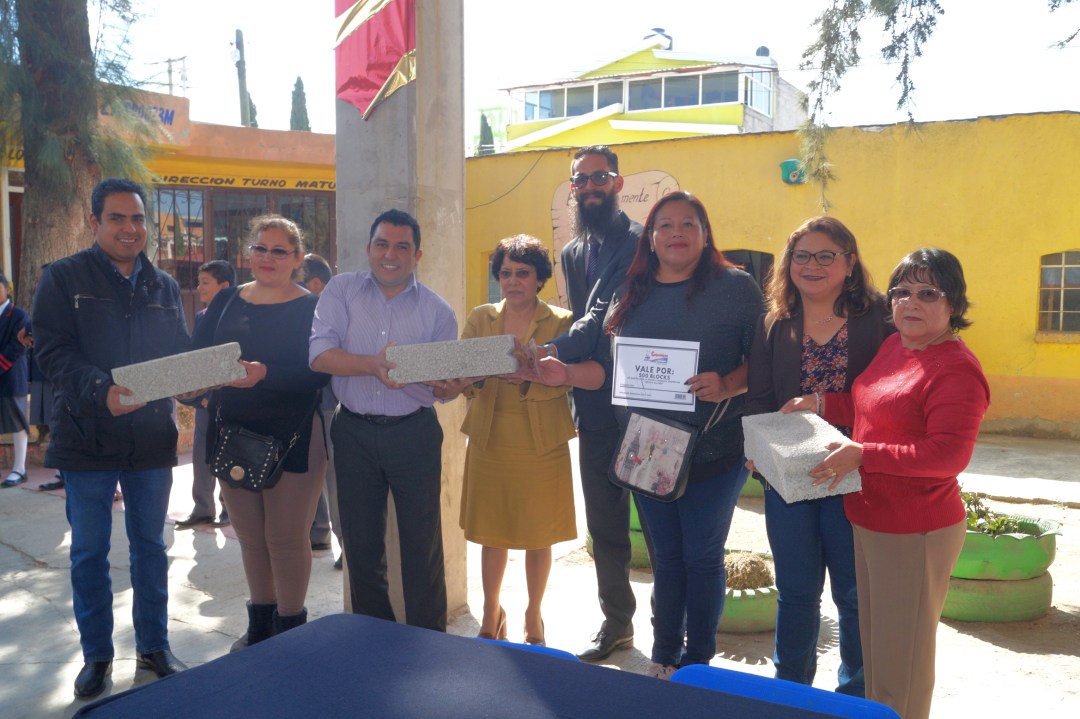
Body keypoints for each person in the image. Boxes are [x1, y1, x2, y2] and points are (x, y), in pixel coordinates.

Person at [536, 192, 763, 678]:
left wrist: (728, 383)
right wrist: (566, 374)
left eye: (688, 223)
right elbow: (612, 370)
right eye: (665, 225)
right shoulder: (630, 291)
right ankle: (663, 656)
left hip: (714, 450)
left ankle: (697, 665)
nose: (676, 233)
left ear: (705, 234)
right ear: (652, 238)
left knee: (701, 556)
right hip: (647, 450)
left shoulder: (736, 288)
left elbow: (765, 360)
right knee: (667, 557)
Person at [790, 248, 989, 719]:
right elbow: (872, 406)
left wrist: (865, 454)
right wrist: (821, 402)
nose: (910, 303)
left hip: (915, 531)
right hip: (871, 519)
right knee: (880, 655)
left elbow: (947, 456)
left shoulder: (956, 369)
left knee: (903, 666)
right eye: (901, 292)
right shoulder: (896, 346)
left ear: (954, 303)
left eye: (928, 293)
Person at [32, 178, 191, 699]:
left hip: (151, 439)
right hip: (87, 437)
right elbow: (51, 352)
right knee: (89, 552)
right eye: (118, 218)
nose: (130, 228)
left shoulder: (163, 286)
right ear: (94, 222)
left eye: (138, 218)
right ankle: (96, 656)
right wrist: (102, 391)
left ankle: (154, 646)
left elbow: (179, 355)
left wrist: (205, 382)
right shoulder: (62, 278)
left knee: (151, 548)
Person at [745, 216, 893, 696]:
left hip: (855, 475)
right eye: (801, 256)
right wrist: (756, 449)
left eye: (825, 255)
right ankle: (790, 692)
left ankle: (854, 693)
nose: (812, 265)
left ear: (849, 262)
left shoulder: (880, 318)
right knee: (796, 592)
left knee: (854, 594)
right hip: (789, 475)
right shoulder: (774, 322)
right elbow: (759, 396)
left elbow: (890, 397)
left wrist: (831, 408)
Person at [309, 208, 457, 631]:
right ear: (369, 248)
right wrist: (372, 366)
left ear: (417, 255)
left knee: (422, 547)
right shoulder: (341, 291)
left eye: (402, 247)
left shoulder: (438, 312)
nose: (390, 254)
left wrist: (450, 386)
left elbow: (444, 387)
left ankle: (428, 642)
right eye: (382, 244)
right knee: (360, 547)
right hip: (352, 431)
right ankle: (374, 639)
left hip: (415, 433)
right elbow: (319, 355)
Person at [192, 216, 329, 650]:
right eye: (260, 248)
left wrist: (265, 373)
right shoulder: (226, 299)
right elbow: (198, 356)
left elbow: (320, 373)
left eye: (279, 251)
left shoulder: (313, 307)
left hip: (294, 437)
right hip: (232, 434)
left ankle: (290, 632)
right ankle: (261, 627)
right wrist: (193, 390)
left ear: (297, 258)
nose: (267, 258)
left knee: (286, 539)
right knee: (250, 539)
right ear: (248, 252)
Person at [435, 235, 576, 645]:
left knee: (539, 534)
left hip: (542, 441)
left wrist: (529, 375)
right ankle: (491, 612)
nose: (513, 281)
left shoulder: (563, 321)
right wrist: (463, 379)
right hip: (490, 437)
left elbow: (568, 381)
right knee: (491, 533)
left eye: (523, 273)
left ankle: (534, 615)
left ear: (539, 279)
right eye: (506, 273)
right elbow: (461, 375)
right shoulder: (481, 317)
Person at [547, 145, 645, 661]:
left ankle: (672, 633)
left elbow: (603, 318)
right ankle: (618, 623)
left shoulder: (642, 243)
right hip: (595, 406)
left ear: (618, 183)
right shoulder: (572, 253)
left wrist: (545, 354)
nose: (589, 186)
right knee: (605, 526)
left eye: (599, 177)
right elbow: (581, 318)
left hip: (645, 406)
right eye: (580, 180)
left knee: (657, 525)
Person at [175, 259, 235, 529]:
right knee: (201, 455)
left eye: (205, 283)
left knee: (228, 454)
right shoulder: (202, 316)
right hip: (204, 400)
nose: (199, 288)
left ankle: (230, 508)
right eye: (199, 282)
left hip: (230, 399)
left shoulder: (237, 316)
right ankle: (202, 508)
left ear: (225, 285)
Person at [302, 253, 342, 561]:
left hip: (329, 404)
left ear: (315, 283)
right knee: (309, 473)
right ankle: (318, 535)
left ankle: (348, 547)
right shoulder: (300, 308)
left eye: (298, 281)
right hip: (304, 405)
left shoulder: (335, 309)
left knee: (335, 482)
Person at [0, 272, 31, 488]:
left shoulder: (18, 314)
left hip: (11, 375)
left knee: (17, 421)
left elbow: (18, 345)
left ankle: (19, 468)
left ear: (7, 289)